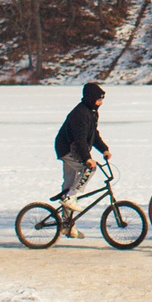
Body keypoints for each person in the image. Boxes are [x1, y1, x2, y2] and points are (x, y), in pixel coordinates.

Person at [53, 82, 109, 218]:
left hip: (73, 148)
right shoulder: (80, 114)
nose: (101, 103)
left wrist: (104, 149)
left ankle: (66, 224)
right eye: (98, 100)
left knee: (70, 185)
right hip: (67, 149)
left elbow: (93, 134)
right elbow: (80, 140)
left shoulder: (92, 112)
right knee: (89, 169)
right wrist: (86, 159)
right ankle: (70, 197)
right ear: (91, 99)